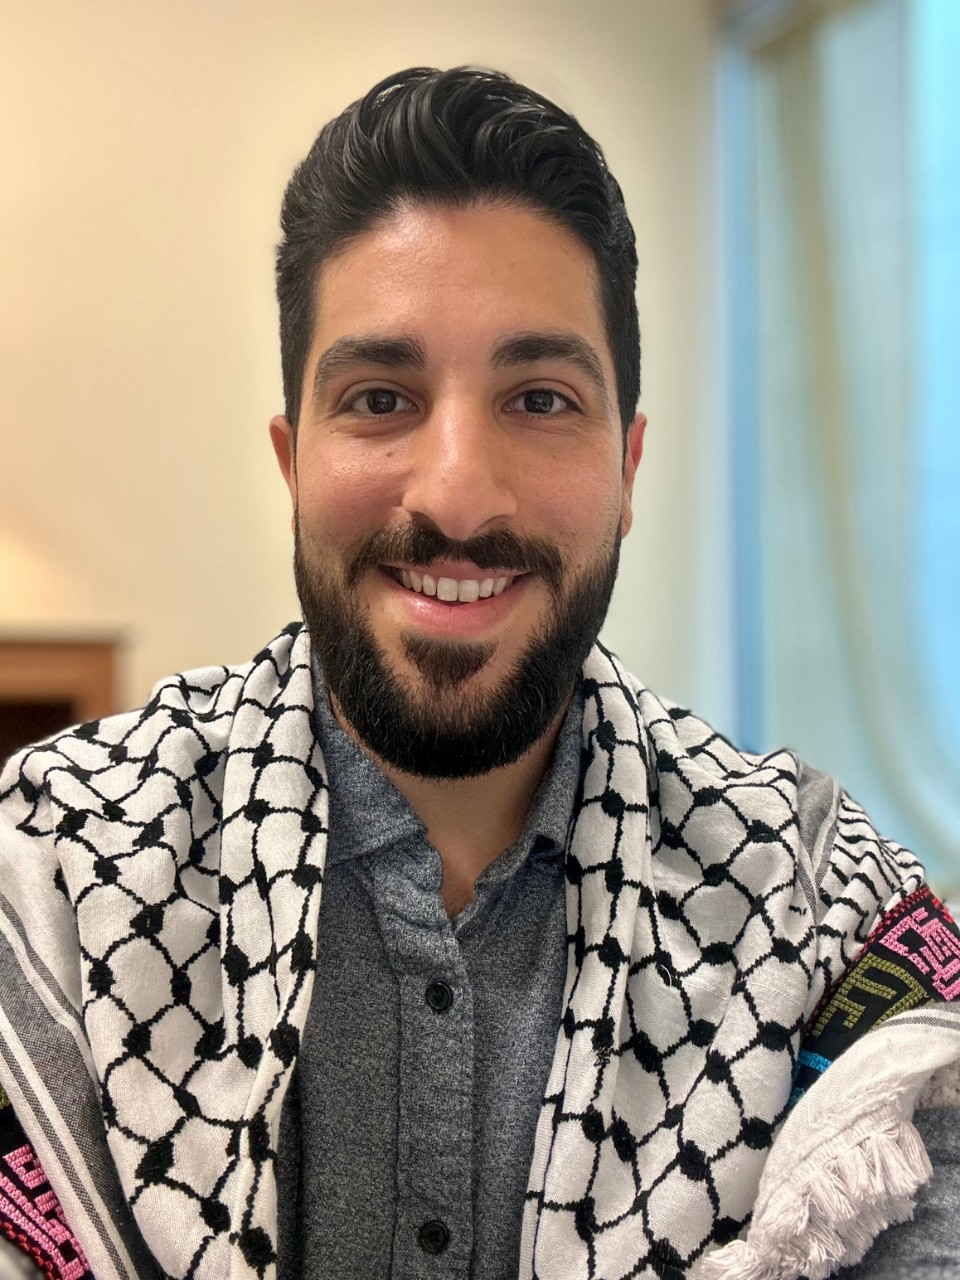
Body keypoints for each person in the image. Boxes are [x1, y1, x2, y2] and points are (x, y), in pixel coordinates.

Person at [1, 66, 959, 1280]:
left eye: (540, 397)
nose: (456, 490)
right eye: (383, 397)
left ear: (628, 465)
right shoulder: (50, 875)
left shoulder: (829, 917)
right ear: (293, 462)